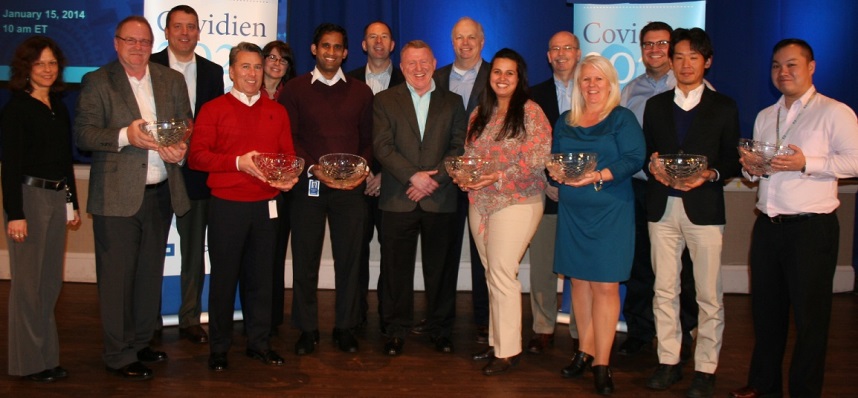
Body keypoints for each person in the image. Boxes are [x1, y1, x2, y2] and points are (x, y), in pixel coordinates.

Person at [729, 39, 858, 398]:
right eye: (775, 66)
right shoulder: (766, 116)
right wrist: (752, 169)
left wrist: (808, 164)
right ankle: (763, 385)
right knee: (766, 315)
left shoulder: (834, 112)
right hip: (768, 226)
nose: (782, 72)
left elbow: (856, 161)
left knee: (810, 321)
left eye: (791, 65)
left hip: (811, 229)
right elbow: (761, 173)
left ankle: (804, 391)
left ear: (811, 67)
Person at [74, 16, 192, 380]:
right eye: (131, 41)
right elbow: (84, 134)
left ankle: (141, 342)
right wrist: (126, 135)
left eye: (144, 41)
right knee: (117, 280)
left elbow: (185, 124)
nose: (138, 47)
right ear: (116, 42)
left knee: (146, 277)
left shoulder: (170, 79)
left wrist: (180, 150)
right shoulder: (97, 81)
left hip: (160, 194)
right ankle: (118, 353)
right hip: (116, 198)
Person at [644, 28, 740, 398]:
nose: (685, 64)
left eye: (693, 57)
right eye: (679, 57)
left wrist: (710, 174)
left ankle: (706, 367)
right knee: (663, 289)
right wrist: (652, 165)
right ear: (670, 61)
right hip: (661, 206)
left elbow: (730, 159)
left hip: (704, 208)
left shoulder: (724, 106)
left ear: (707, 62)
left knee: (708, 293)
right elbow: (647, 154)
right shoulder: (655, 106)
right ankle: (669, 360)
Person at [189, 42, 296, 372]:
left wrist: (287, 177)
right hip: (227, 207)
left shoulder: (277, 111)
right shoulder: (213, 109)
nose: (252, 73)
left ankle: (259, 343)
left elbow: (288, 158)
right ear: (232, 71)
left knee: (262, 279)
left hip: (266, 207)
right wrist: (237, 163)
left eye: (258, 67)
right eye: (245, 67)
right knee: (224, 279)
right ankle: (219, 347)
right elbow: (197, 157)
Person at [551, 54, 644, 395]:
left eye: (598, 79)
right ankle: (584, 350)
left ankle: (602, 363)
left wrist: (598, 175)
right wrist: (557, 172)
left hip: (611, 210)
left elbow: (635, 158)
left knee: (604, 286)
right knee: (579, 283)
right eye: (585, 80)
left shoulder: (622, 119)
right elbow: (557, 159)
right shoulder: (566, 121)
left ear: (610, 83)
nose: (591, 86)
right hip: (574, 211)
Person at [279, 23, 372, 355]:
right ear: (314, 49)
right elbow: (289, 138)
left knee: (350, 259)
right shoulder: (294, 90)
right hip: (310, 186)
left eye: (337, 47)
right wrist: (314, 167)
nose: (331, 52)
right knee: (305, 259)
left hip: (350, 189)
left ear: (345, 53)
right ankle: (306, 328)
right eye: (325, 46)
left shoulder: (362, 92)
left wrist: (358, 169)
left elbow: (368, 140)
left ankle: (345, 326)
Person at [373, 40, 466, 356]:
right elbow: (383, 147)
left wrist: (434, 180)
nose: (418, 68)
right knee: (395, 270)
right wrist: (414, 177)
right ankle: (395, 330)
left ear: (434, 62)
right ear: (402, 66)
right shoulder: (385, 101)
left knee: (440, 270)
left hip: (440, 199)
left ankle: (440, 330)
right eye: (411, 62)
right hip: (399, 197)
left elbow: (457, 148)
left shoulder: (452, 102)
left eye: (424, 61)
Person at [461, 48, 551, 376]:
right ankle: (498, 341)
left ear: (519, 78)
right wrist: (466, 175)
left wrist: (498, 175)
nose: (501, 78)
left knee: (501, 273)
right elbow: (470, 155)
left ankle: (509, 351)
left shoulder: (531, 112)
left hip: (518, 202)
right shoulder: (479, 113)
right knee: (493, 275)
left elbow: (538, 158)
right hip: (480, 202)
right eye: (497, 72)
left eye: (509, 73)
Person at [1, 35, 81, 383]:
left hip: (55, 198)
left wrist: (72, 204)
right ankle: (27, 363)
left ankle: (46, 357)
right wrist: (14, 214)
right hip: (28, 200)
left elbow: (64, 161)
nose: (48, 69)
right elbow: (11, 167)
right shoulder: (16, 108)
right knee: (28, 287)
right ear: (26, 68)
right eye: (40, 63)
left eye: (52, 63)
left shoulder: (58, 106)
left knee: (49, 285)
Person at [618, 21, 698, 360]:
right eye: (648, 44)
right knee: (639, 265)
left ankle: (683, 331)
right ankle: (639, 331)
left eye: (661, 43)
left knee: (681, 265)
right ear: (641, 49)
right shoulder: (629, 89)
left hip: (677, 189)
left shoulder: (687, 87)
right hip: (637, 188)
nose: (654, 50)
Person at [150, 4, 224, 345]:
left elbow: (214, 125)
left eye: (191, 27)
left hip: (195, 175)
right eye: (177, 26)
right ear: (166, 32)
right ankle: (147, 318)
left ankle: (190, 317)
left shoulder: (213, 72)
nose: (184, 33)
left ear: (198, 32)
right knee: (150, 251)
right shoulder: (148, 67)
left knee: (194, 252)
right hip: (155, 172)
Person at [431, 16, 492, 343]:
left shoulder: (497, 75)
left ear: (481, 42)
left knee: (485, 254)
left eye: (471, 38)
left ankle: (484, 319)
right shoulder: (436, 78)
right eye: (459, 38)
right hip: (446, 180)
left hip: (485, 181)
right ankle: (440, 320)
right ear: (452, 42)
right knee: (443, 254)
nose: (465, 43)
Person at [346, 21, 406, 331]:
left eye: (384, 37)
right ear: (363, 44)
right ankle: (355, 315)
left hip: (393, 182)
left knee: (392, 253)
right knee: (355, 250)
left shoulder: (408, 80)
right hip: (355, 181)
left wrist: (382, 173)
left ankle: (389, 317)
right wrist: (364, 171)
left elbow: (409, 137)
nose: (379, 41)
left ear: (392, 45)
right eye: (373, 36)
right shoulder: (348, 79)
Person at [526, 30, 581, 355]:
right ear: (548, 56)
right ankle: (543, 327)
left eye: (567, 48)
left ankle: (579, 329)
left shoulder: (592, 92)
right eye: (555, 49)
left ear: (578, 53)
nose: (561, 54)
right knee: (543, 264)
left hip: (582, 193)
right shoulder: (532, 96)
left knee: (579, 266)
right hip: (544, 191)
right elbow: (527, 146)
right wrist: (544, 181)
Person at [260, 39, 296, 337]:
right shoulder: (246, 94)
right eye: (270, 57)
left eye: (282, 59)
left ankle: (271, 318)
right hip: (247, 186)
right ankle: (249, 312)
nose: (276, 63)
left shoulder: (293, 95)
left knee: (274, 253)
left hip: (283, 189)